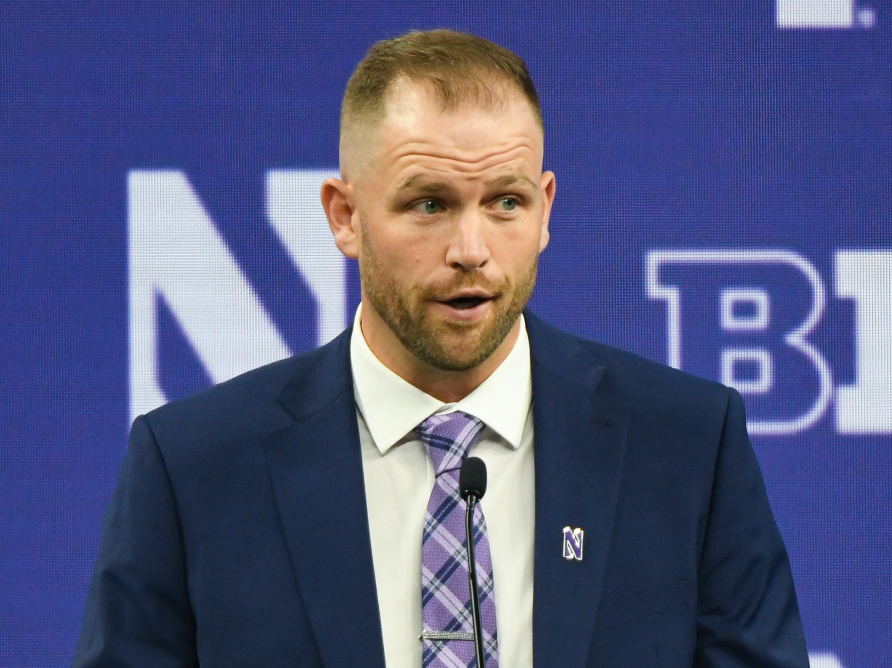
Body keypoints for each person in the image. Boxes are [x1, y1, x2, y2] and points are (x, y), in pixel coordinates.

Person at [74, 29, 809, 667]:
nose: (471, 250)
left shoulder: (683, 445)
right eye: (429, 204)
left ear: (546, 209)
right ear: (346, 216)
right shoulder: (195, 468)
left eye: (506, 204)